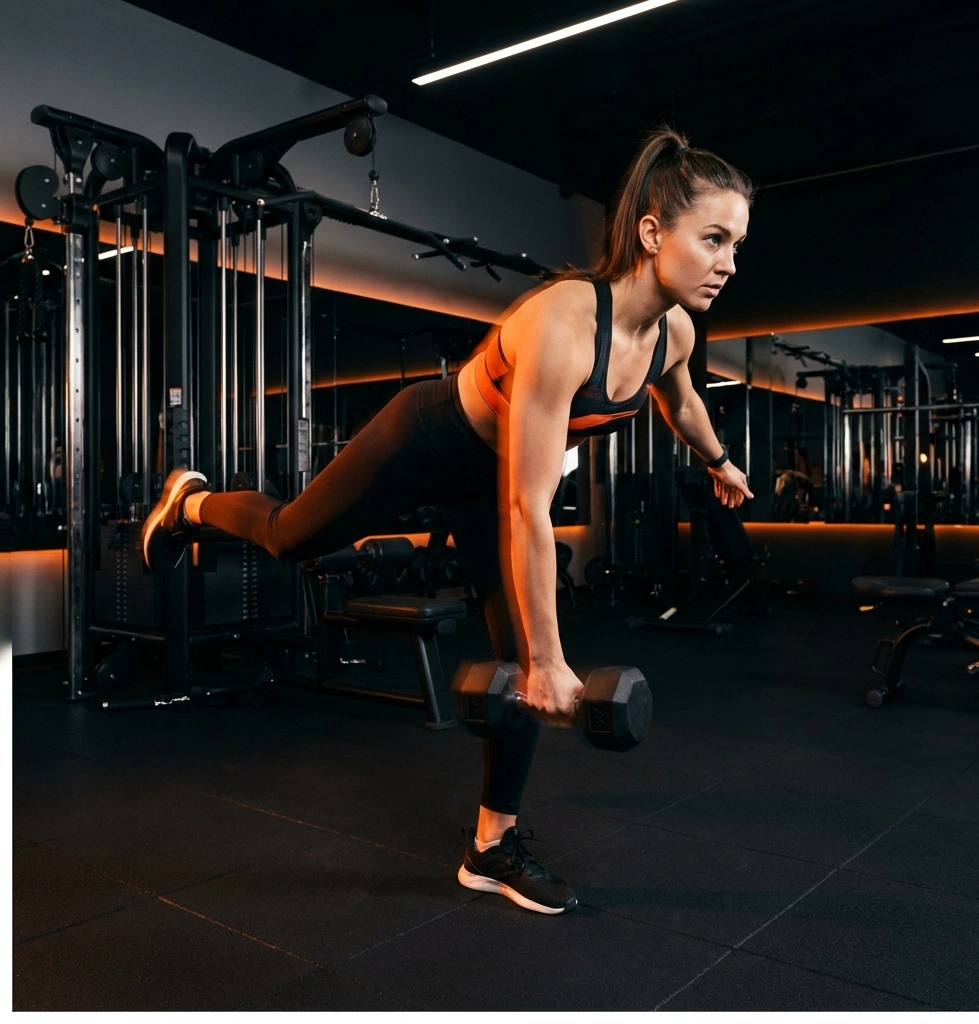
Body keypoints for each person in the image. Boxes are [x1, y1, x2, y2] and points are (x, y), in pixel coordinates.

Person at [142, 126, 755, 915]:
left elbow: (682, 397)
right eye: (713, 239)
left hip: (491, 475)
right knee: (293, 536)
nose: (729, 263)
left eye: (736, 244)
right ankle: (191, 499)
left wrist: (718, 461)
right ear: (651, 232)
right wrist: (550, 660)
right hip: (428, 440)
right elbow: (529, 508)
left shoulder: (675, 330)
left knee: (520, 645)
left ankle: (491, 848)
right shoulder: (564, 326)